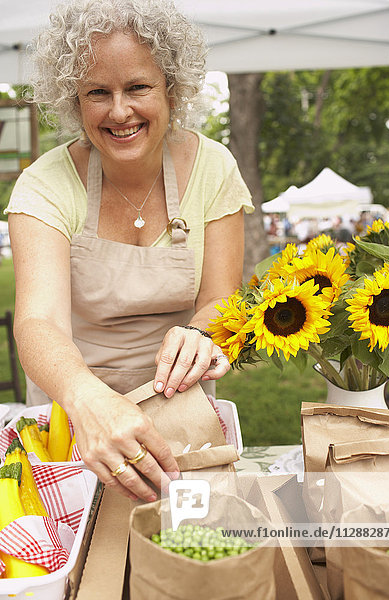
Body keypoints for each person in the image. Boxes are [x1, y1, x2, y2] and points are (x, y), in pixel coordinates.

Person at [5, 0, 254, 501]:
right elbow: (39, 323)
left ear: (172, 89)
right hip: (73, 412)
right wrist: (86, 397)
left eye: (137, 87)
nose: (119, 111)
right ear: (74, 101)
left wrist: (201, 335)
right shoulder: (43, 185)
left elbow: (221, 299)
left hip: (180, 407)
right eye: (98, 92)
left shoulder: (215, 169)